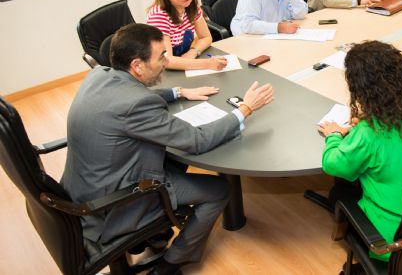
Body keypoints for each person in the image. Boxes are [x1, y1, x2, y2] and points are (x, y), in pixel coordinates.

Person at [61, 23, 274, 275]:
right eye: (160, 56)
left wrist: (178, 91)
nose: (166, 61)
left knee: (170, 154)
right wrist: (245, 108)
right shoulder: (136, 104)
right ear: (137, 66)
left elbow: (130, 97)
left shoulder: (101, 74)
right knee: (219, 190)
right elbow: (197, 141)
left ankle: (153, 235)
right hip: (111, 204)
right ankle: (171, 263)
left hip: (82, 187)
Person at [319, 41, 402, 262]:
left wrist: (334, 136)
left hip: (394, 239)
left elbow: (333, 164)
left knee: (339, 192)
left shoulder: (370, 133)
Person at [146, 0, 228, 71]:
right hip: (160, 73)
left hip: (182, 66)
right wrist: (207, 64)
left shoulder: (191, 6)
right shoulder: (158, 15)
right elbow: (166, 60)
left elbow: (206, 37)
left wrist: (193, 52)